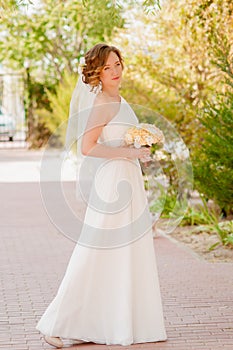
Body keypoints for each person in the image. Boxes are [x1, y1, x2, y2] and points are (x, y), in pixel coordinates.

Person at [36, 43, 167, 348]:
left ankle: (120, 322)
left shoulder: (119, 99)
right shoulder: (103, 103)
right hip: (112, 184)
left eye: (118, 64)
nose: (116, 71)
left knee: (125, 253)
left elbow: (118, 140)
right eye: (108, 67)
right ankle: (58, 323)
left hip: (129, 180)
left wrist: (139, 152)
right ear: (96, 72)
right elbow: (87, 147)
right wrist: (128, 151)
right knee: (95, 251)